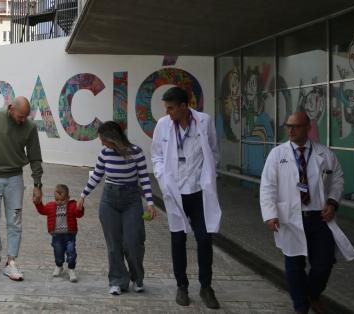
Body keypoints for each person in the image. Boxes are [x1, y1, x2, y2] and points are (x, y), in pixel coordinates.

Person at [260, 111, 354, 314]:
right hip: (291, 217)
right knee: (294, 264)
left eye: (296, 126)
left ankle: (313, 293)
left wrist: (332, 203)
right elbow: (268, 186)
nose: (290, 130)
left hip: (319, 217)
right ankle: (301, 307)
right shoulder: (277, 154)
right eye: (288, 126)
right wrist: (270, 214)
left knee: (324, 263)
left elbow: (337, 180)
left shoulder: (325, 153)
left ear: (308, 128)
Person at [151, 86, 221, 308]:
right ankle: (182, 286)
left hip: (199, 191)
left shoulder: (204, 121)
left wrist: (208, 176)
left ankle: (206, 287)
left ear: (184, 106)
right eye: (167, 108)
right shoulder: (163, 125)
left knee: (204, 239)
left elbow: (213, 151)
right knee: (178, 240)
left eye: (171, 108)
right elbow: (156, 156)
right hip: (175, 191)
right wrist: (163, 180)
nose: (168, 112)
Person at [77, 121, 156, 295]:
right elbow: (97, 175)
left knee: (133, 242)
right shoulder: (105, 153)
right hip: (109, 201)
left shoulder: (136, 153)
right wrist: (83, 195)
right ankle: (117, 280)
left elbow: (144, 179)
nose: (102, 143)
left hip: (131, 200)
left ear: (113, 138)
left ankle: (137, 278)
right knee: (114, 244)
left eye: (103, 140)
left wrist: (150, 202)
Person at [0, 96, 43, 281]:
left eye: (26, 117)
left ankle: (11, 262)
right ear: (10, 108)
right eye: (20, 116)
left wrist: (37, 184)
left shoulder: (30, 127)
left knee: (15, 220)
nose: (22, 120)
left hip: (15, 179)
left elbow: (35, 157)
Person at [35, 184, 84, 283]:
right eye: (57, 199)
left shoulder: (72, 205)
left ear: (68, 198)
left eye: (62, 200)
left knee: (71, 252)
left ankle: (71, 269)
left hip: (70, 235)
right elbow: (42, 211)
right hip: (56, 236)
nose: (59, 202)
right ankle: (59, 266)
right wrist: (38, 203)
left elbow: (79, 215)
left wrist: (80, 208)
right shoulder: (51, 206)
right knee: (58, 252)